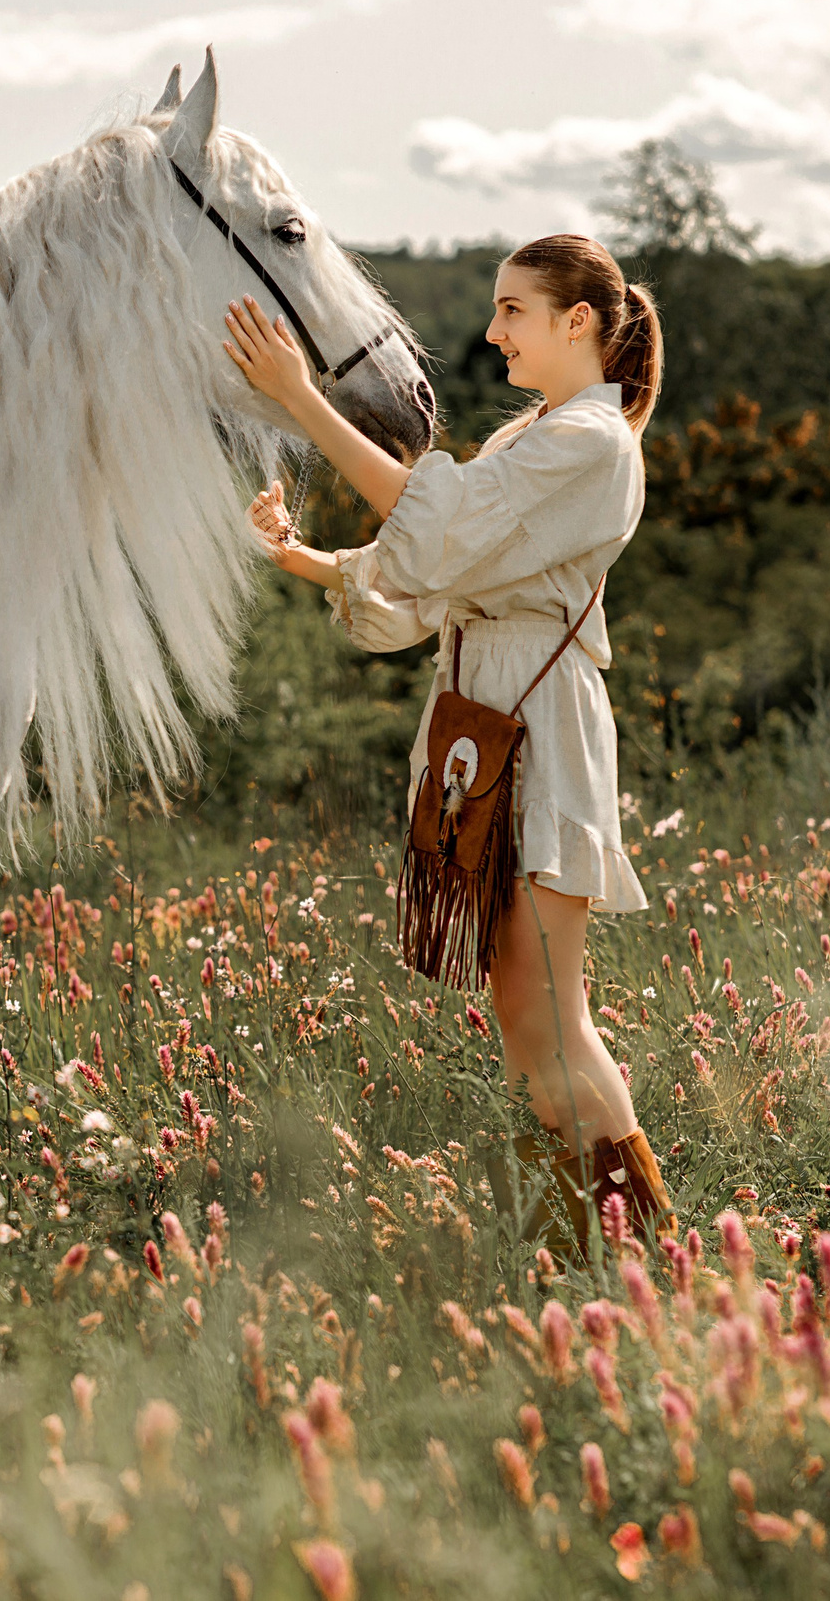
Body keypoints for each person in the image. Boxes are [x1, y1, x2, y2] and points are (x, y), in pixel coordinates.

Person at [222, 232, 676, 1257]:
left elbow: (436, 523)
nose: (491, 329)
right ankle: (588, 1243)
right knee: (520, 1009)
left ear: (580, 323)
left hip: (537, 728)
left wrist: (303, 397)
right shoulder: (533, 436)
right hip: (485, 716)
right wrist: (292, 553)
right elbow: (427, 574)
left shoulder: (591, 443)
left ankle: (642, 1244)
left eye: (513, 308)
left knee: (552, 1014)